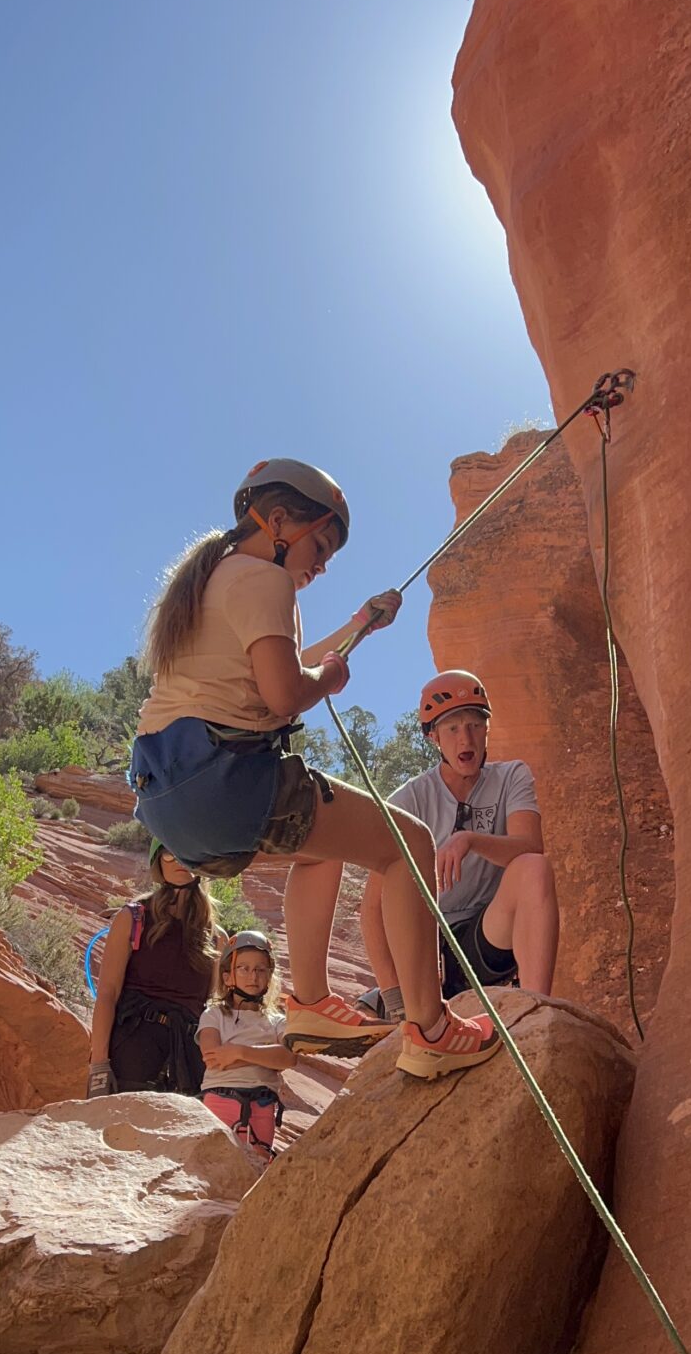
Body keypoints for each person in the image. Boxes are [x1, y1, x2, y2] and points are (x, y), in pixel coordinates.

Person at [128, 459, 500, 1082]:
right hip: (225, 782)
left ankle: (306, 1003)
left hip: (169, 796)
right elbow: (285, 692)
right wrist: (327, 680)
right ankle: (432, 1030)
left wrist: (359, 627)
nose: (322, 563)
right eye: (320, 544)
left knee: (317, 848)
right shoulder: (263, 581)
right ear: (278, 522)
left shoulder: (211, 580)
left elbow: (277, 662)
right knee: (410, 844)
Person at [360, 671, 559, 1014]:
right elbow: (373, 907)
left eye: (475, 725)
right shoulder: (409, 801)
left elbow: (530, 845)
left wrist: (470, 840)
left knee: (534, 867)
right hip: (427, 948)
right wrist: (396, 1001)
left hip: (486, 936)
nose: (465, 738)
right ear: (434, 737)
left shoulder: (511, 776)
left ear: (487, 730)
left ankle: (535, 1011)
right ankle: (390, 1001)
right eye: (452, 728)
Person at [86, 839, 222, 1097]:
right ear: (157, 861)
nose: (180, 861)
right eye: (170, 854)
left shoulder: (215, 936)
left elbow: (211, 1008)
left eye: (188, 852)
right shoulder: (134, 917)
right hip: (133, 1048)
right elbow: (107, 993)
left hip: (187, 1061)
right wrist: (99, 1065)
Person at [198, 928, 293, 1163]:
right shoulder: (214, 1015)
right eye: (244, 968)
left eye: (261, 970)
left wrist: (238, 1052)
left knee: (256, 1168)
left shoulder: (277, 1021)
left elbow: (289, 1058)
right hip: (221, 1101)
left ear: (270, 977)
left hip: (261, 1105)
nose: (253, 977)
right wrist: (264, 1058)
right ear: (228, 976)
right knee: (217, 1168)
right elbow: (213, 1058)